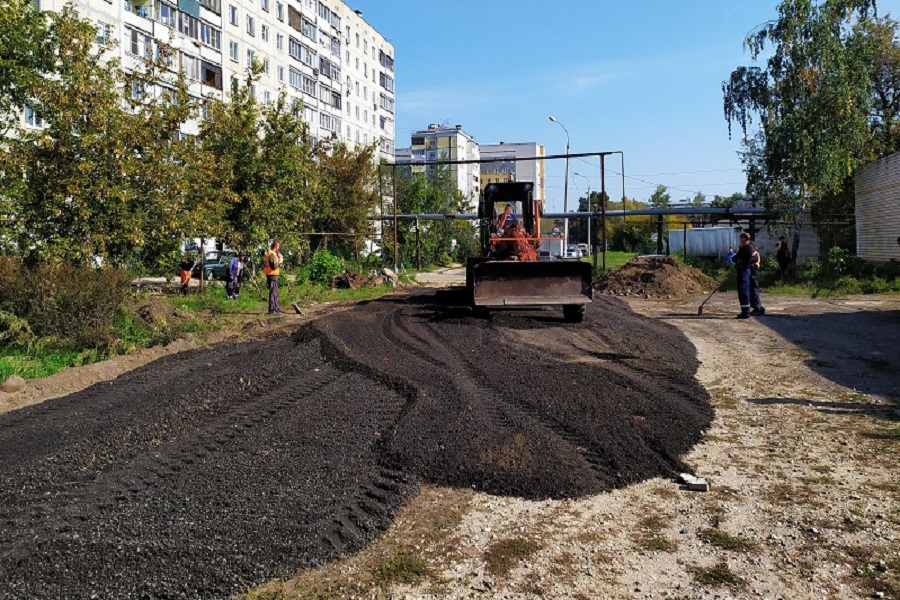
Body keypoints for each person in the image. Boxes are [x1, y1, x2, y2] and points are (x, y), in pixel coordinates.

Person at [733, 232, 754, 319]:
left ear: (744, 239)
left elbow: (737, 258)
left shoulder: (746, 248)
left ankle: (745, 312)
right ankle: (745, 310)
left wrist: (738, 261)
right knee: (743, 291)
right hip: (743, 270)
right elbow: (735, 258)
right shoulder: (746, 248)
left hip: (744, 271)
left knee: (743, 290)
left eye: (740, 239)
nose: (739, 240)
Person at [263, 241, 284, 314]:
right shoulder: (272, 254)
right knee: (273, 292)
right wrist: (280, 261)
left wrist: (278, 258)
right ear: (276, 246)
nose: (279, 247)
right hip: (272, 276)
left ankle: (276, 307)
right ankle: (272, 309)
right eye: (278, 246)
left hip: (272, 275)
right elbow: (274, 266)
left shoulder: (272, 253)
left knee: (274, 292)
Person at [749, 240, 765, 316]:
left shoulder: (755, 254)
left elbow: (751, 262)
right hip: (751, 274)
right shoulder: (751, 254)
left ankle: (758, 307)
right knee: (751, 291)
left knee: (754, 290)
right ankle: (755, 307)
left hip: (754, 274)